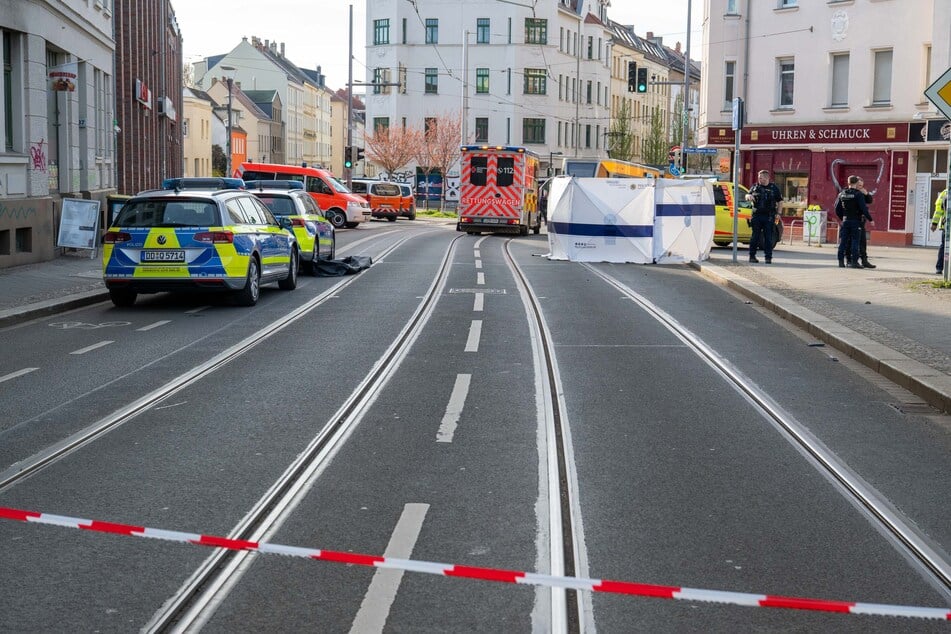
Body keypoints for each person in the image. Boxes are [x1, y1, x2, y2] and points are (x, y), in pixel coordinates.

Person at [834, 175, 875, 268]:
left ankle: (859, 261)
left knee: (857, 242)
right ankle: (852, 261)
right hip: (855, 220)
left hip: (851, 221)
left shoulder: (845, 193)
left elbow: (869, 201)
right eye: (859, 185)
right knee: (853, 242)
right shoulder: (856, 194)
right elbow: (864, 209)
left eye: (862, 185)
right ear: (856, 183)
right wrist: (871, 219)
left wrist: (867, 194)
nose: (860, 187)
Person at [745, 169, 782, 263]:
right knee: (755, 237)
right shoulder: (755, 187)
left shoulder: (774, 188)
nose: (759, 179)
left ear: (766, 178)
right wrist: (748, 196)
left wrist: (778, 213)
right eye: (758, 177)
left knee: (768, 237)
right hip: (756, 215)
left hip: (769, 216)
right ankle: (752, 257)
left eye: (760, 178)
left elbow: (780, 201)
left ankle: (768, 258)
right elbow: (747, 195)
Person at [931, 188, 948, 274]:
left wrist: (934, 223)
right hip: (947, 226)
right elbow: (938, 211)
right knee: (944, 247)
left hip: (946, 226)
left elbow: (938, 210)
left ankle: (939, 268)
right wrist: (934, 223)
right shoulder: (945, 193)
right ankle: (939, 267)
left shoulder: (944, 193)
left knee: (944, 247)